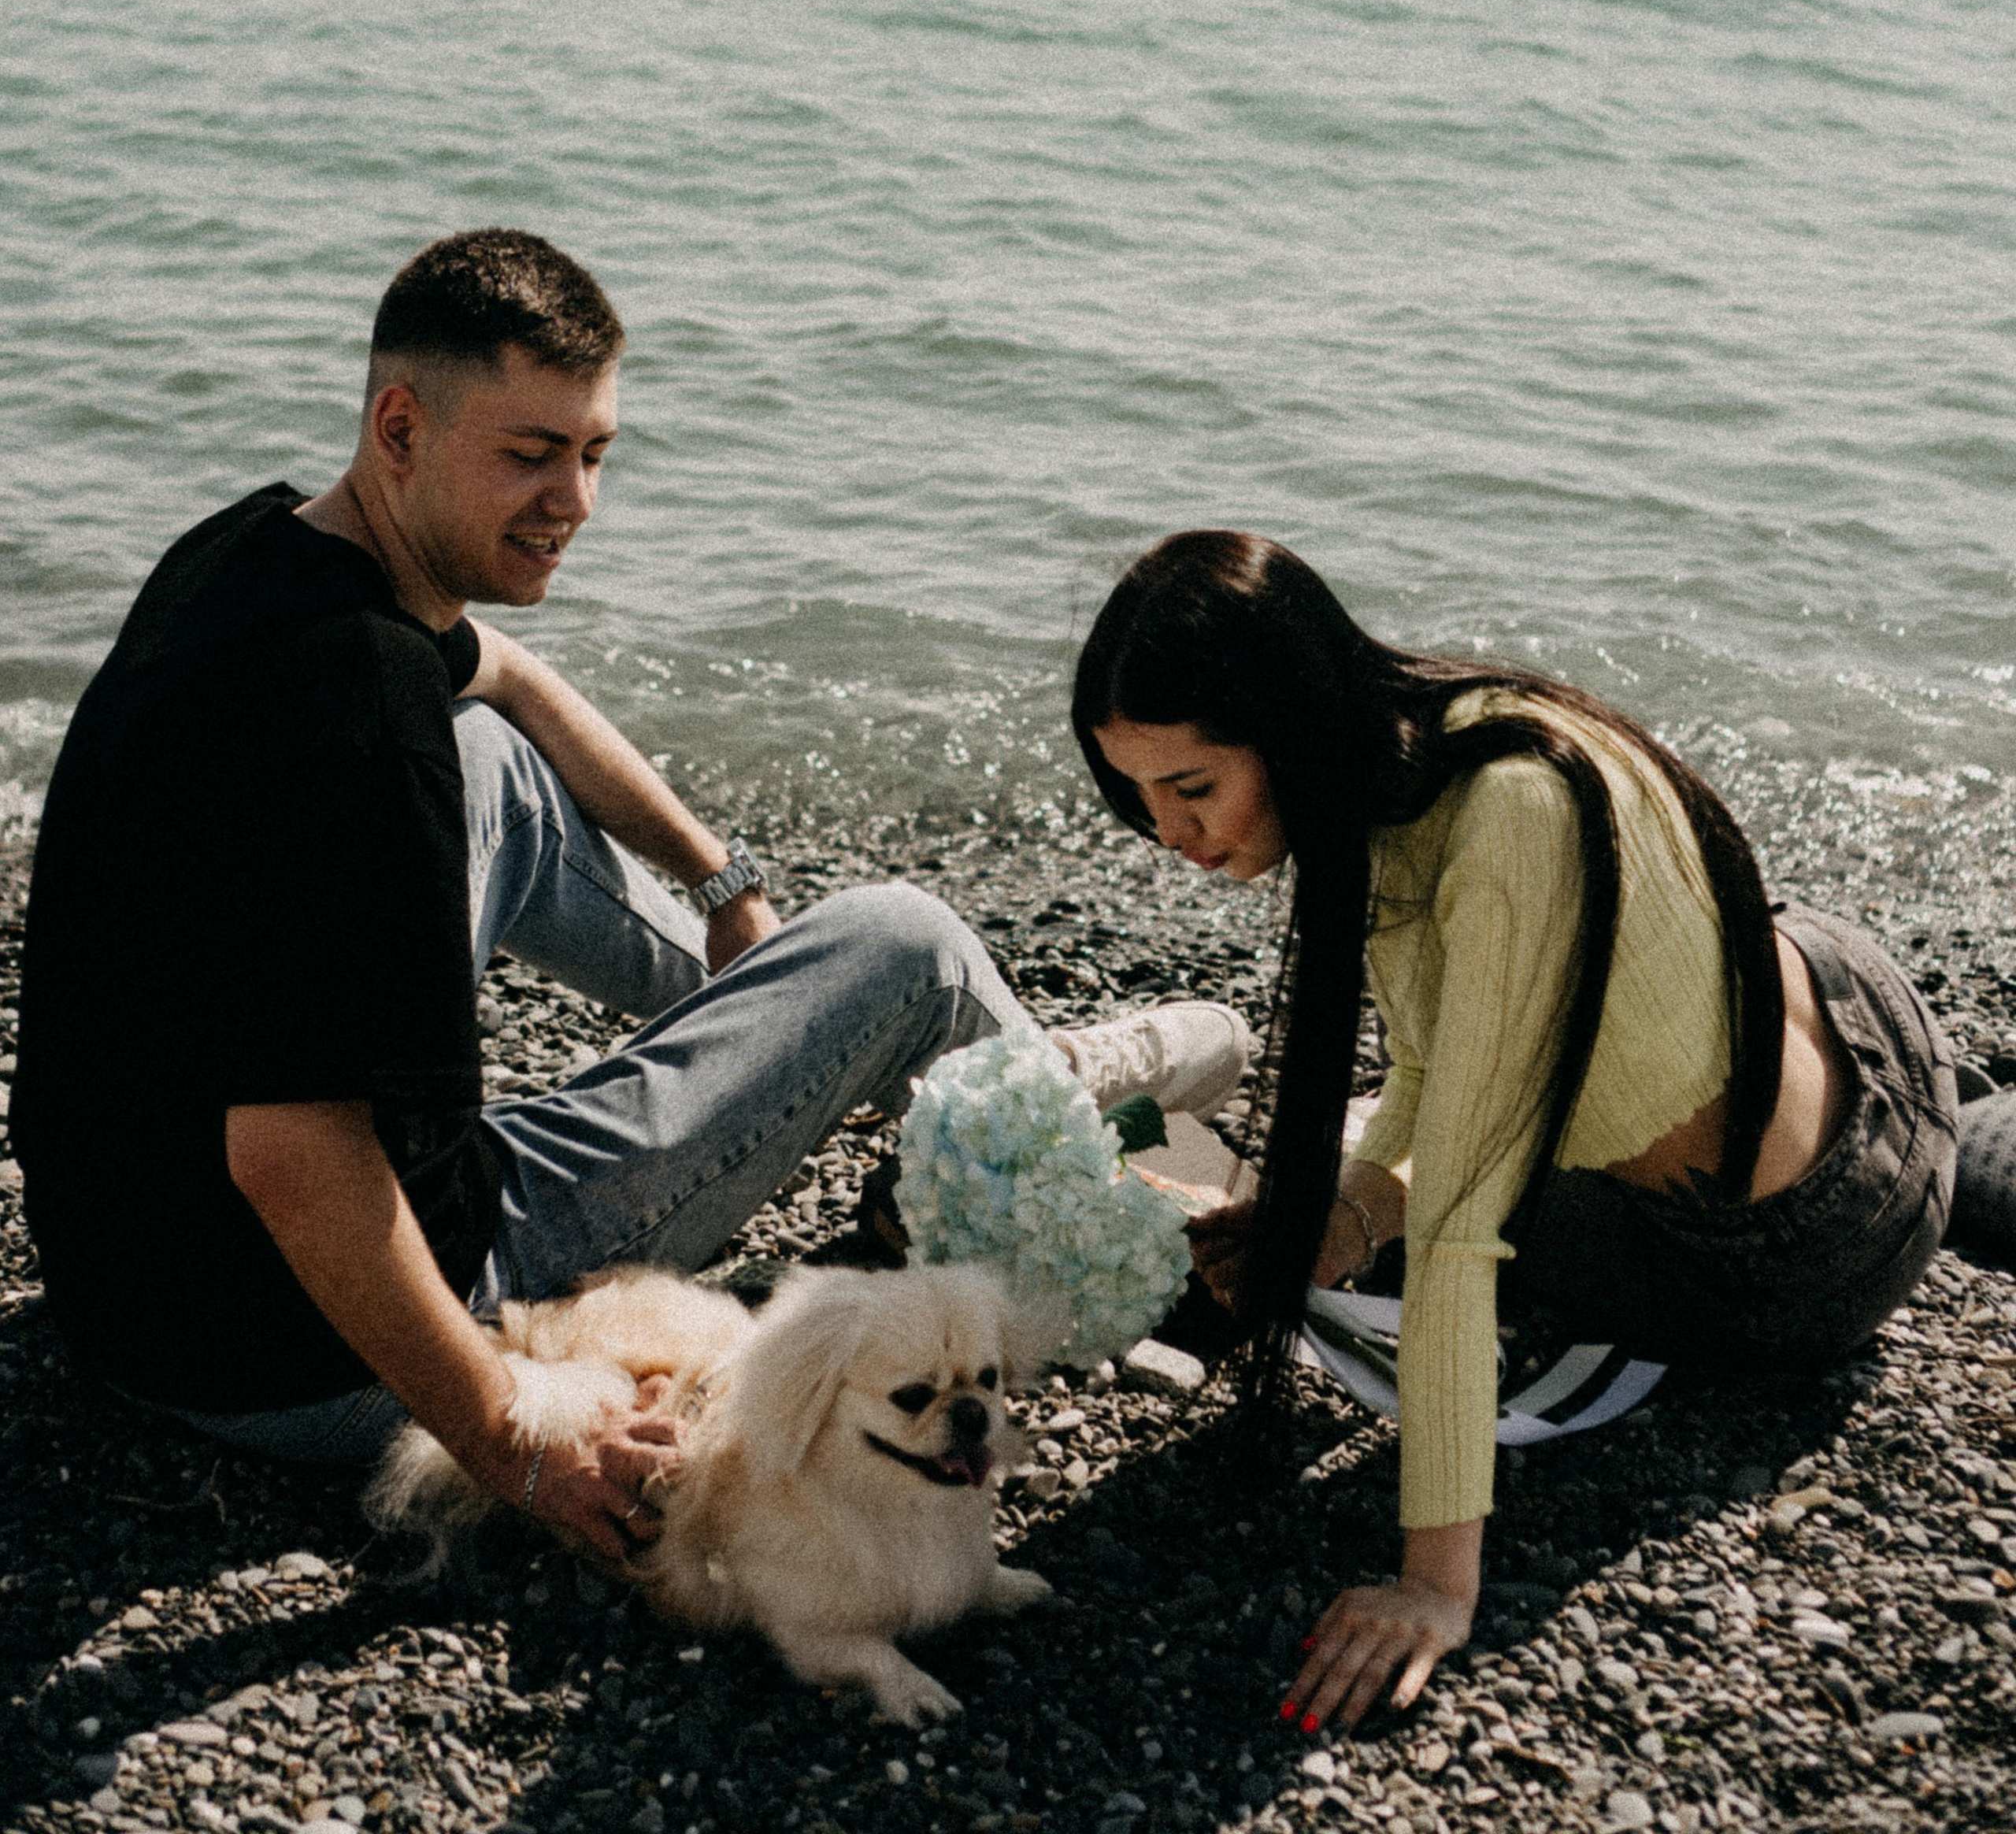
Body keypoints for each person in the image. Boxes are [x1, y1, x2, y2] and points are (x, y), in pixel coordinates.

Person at [13, 232, 1247, 1571]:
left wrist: (726, 890)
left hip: (123, 1290)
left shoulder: (257, 553)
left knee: (498, 751)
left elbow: (519, 685)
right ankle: (1116, 1207)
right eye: (532, 453)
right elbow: (297, 1166)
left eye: (595, 453)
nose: (575, 499)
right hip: (299, 1352)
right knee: (912, 945)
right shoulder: (365, 731)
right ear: (400, 425)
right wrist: (516, 1444)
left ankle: (817, 1032)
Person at [1070, 530, 1962, 1736]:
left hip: (1815, 1242)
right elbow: (1440, 1064)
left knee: (1409, 1182)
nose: (1170, 832)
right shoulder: (1444, 733)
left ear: (1285, 726)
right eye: (1138, 796)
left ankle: (1974, 1142)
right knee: (1358, 1157)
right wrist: (1343, 1215)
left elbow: (1459, 1233)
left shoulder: (1510, 814)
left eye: (1192, 788)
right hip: (1801, 1010)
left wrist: (1436, 1586)